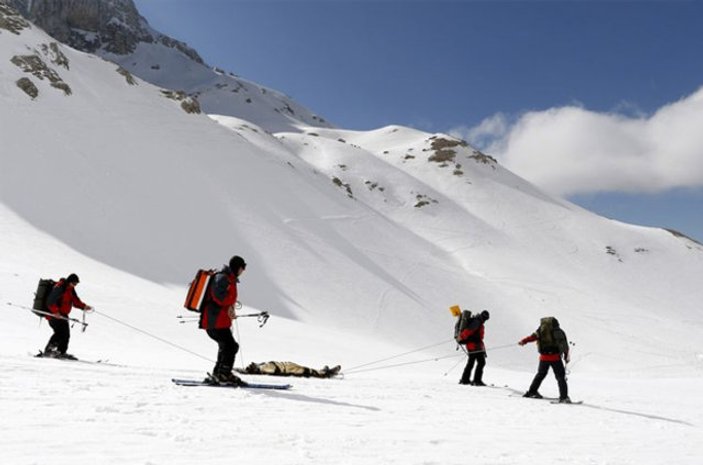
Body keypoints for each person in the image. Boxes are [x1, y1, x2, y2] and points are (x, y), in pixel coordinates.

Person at [199, 255, 246, 384]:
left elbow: (224, 300)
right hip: (214, 321)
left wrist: (230, 309)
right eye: (243, 267)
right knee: (231, 347)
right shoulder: (223, 278)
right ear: (237, 267)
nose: (243, 271)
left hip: (219, 321)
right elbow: (219, 298)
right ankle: (224, 374)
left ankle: (218, 373)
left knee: (226, 347)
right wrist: (231, 304)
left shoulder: (229, 278)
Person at [518, 317, 571, 403]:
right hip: (555, 357)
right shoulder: (558, 331)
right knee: (560, 377)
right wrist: (566, 357)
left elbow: (532, 337)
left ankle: (532, 392)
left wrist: (523, 341)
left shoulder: (540, 330)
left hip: (543, 357)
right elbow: (564, 346)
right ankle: (564, 397)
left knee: (540, 375)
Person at [44, 273, 92, 358]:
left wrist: (84, 306)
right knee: (60, 333)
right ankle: (49, 351)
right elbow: (50, 301)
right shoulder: (60, 287)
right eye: (74, 283)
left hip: (63, 315)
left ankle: (61, 352)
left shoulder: (70, 289)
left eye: (76, 284)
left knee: (66, 335)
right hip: (54, 315)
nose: (75, 285)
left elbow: (75, 301)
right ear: (69, 281)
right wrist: (55, 312)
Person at [458, 310, 490, 386]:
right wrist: (461, 337)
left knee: (471, 362)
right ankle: (476, 380)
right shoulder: (477, 322)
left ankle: (465, 379)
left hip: (474, 345)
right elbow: (468, 331)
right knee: (481, 362)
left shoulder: (478, 321)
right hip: (474, 346)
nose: (485, 320)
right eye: (485, 318)